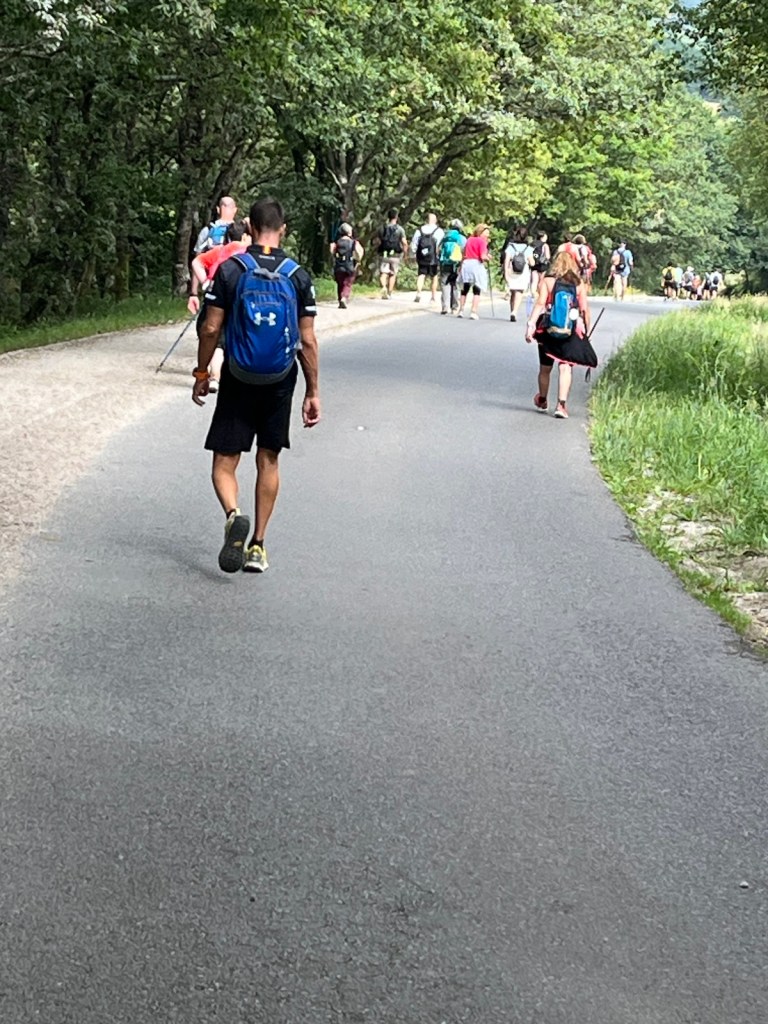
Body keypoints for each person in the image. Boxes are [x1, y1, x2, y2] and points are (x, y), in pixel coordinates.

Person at [192, 197, 321, 574]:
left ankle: (234, 515)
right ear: (283, 229)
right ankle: (258, 546)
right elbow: (307, 340)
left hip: (239, 374)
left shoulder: (231, 270)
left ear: (249, 227)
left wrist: (202, 373)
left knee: (224, 462)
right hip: (279, 378)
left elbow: (211, 328)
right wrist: (312, 391)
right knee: (269, 458)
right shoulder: (298, 276)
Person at [525, 249, 592, 420]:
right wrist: (586, 330)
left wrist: (531, 325)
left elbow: (540, 304)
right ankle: (561, 405)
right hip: (569, 330)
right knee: (565, 367)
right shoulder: (579, 284)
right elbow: (584, 310)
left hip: (548, 329)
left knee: (545, 369)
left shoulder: (547, 281)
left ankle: (542, 400)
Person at [188, 220, 252, 391]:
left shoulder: (220, 250)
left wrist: (205, 281)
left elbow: (196, 262)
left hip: (214, 296)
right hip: (236, 300)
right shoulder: (248, 252)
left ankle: (212, 374)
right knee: (224, 341)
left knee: (213, 335)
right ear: (245, 237)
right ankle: (217, 376)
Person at [457, 224, 491, 320]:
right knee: (477, 289)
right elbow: (482, 256)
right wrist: (488, 258)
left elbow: (464, 253)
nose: (488, 235)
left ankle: (461, 310)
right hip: (476, 265)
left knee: (465, 288)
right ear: (481, 232)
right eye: (486, 233)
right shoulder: (482, 241)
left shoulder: (469, 239)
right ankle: (473, 311)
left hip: (466, 264)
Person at [411, 213, 444, 303]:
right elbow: (441, 245)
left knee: (421, 275)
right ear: (435, 220)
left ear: (426, 220)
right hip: (433, 257)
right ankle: (433, 297)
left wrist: (414, 253)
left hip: (422, 256)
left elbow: (414, 243)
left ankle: (418, 293)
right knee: (434, 277)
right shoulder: (439, 231)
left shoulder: (419, 230)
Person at [503, 227, 534, 322]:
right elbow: (532, 263)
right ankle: (514, 312)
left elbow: (506, 261)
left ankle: (512, 310)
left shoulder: (510, 247)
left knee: (513, 291)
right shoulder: (528, 248)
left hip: (512, 271)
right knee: (519, 292)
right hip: (523, 272)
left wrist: (506, 272)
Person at [329, 222, 363, 308]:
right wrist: (358, 259)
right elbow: (359, 252)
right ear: (349, 232)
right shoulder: (354, 242)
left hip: (338, 266)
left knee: (340, 283)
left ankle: (340, 299)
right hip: (349, 265)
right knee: (348, 283)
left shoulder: (337, 242)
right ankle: (344, 298)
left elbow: (332, 252)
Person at [377, 209, 407, 299]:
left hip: (384, 254)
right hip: (396, 255)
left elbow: (377, 241)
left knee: (383, 272)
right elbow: (404, 242)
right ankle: (389, 293)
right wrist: (405, 253)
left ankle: (383, 287)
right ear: (396, 217)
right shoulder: (400, 229)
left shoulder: (382, 228)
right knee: (393, 274)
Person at [438, 219, 466, 315]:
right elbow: (464, 251)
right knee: (454, 284)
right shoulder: (461, 238)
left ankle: (445, 307)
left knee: (445, 284)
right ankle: (454, 307)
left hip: (445, 263)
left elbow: (438, 249)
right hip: (456, 264)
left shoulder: (445, 236)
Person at [530, 231, 551, 297]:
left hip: (534, 264)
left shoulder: (532, 243)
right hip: (542, 265)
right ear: (542, 237)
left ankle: (533, 294)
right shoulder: (545, 245)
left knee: (534, 280)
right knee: (541, 281)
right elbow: (547, 256)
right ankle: (540, 294)